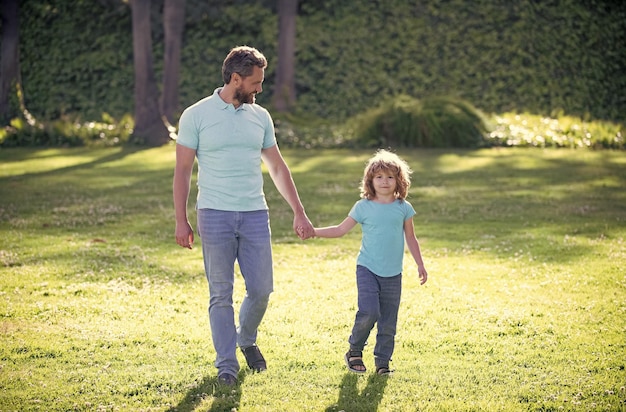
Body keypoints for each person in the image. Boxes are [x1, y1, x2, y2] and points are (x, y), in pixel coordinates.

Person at [173, 45, 314, 386]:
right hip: (215, 214)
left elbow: (277, 168)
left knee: (262, 288)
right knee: (220, 293)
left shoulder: (260, 117)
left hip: (254, 214)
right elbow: (182, 171)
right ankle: (227, 366)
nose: (259, 88)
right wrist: (181, 219)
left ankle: (245, 339)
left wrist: (299, 212)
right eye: (255, 82)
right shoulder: (196, 115)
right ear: (235, 78)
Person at [311, 149, 428, 375]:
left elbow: (411, 238)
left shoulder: (403, 208)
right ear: (370, 181)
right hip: (367, 269)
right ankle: (354, 350)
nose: (385, 181)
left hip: (393, 273)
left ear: (399, 181)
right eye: (379, 177)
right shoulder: (363, 206)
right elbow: (340, 230)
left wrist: (420, 264)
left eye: (390, 177)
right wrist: (313, 232)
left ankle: (382, 363)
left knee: (388, 321)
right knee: (370, 311)